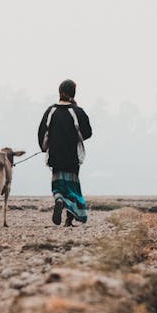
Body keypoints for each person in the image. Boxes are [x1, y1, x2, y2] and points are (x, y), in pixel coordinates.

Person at [38, 79, 92, 226]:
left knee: (58, 184)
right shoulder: (77, 112)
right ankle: (69, 219)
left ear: (60, 93)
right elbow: (87, 132)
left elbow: (43, 134)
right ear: (73, 94)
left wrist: (44, 148)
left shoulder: (50, 112)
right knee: (72, 186)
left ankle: (59, 199)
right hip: (72, 157)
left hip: (55, 156)